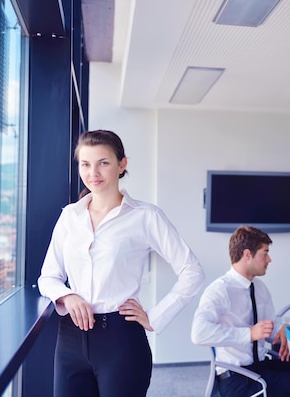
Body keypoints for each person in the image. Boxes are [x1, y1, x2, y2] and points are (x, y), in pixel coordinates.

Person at [38, 129, 205, 397]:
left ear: (121, 164)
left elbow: (193, 272)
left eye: (103, 163)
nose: (94, 173)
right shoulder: (70, 216)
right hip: (70, 339)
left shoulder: (145, 216)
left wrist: (155, 316)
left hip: (121, 340)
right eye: (86, 164)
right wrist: (68, 297)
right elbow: (48, 277)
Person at [191, 225, 290, 397]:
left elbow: (268, 330)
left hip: (260, 367)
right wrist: (248, 334)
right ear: (247, 254)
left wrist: (281, 329)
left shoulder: (260, 288)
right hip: (237, 378)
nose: (269, 259)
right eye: (265, 253)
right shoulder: (220, 290)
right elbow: (198, 333)